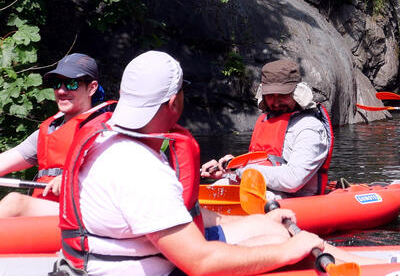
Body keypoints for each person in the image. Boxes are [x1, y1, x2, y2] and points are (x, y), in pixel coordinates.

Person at [53, 50, 323, 276]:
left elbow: (291, 178)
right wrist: (287, 251)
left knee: (271, 232)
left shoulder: (110, 137)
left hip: (112, 257)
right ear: (174, 100)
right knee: (281, 242)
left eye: (281, 95)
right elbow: (200, 262)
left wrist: (254, 216)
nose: (274, 101)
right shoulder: (140, 166)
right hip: (144, 266)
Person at [201, 59, 333, 197]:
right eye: (270, 95)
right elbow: (262, 166)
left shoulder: (310, 128)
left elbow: (293, 180)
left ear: (297, 93)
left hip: (295, 198)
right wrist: (227, 171)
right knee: (217, 188)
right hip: (261, 189)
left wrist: (240, 171)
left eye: (282, 95)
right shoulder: (266, 121)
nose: (276, 102)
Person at [0, 53, 110, 218]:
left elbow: (112, 176)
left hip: (82, 218)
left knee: (15, 203)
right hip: (47, 218)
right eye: (56, 83)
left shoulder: (106, 132)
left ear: (92, 88)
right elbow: (5, 161)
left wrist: (72, 178)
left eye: (71, 84)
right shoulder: (49, 130)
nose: (61, 90)